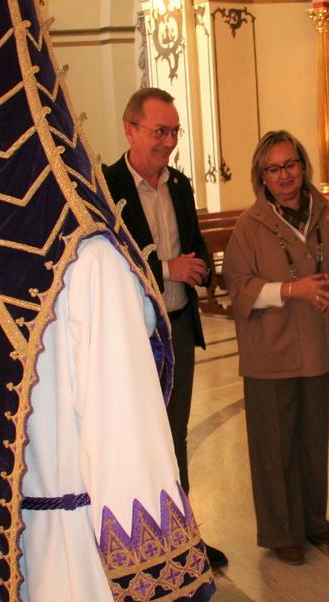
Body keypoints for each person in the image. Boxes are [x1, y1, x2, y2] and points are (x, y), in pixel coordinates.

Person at [0, 1, 214, 602]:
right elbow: (125, 431)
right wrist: (161, 581)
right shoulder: (84, 253)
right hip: (92, 556)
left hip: (2, 557)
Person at [223, 130, 329, 565]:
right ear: (261, 177)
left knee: (312, 440)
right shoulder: (249, 226)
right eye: (274, 168)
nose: (284, 175)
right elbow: (239, 287)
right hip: (272, 350)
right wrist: (291, 289)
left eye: (291, 165)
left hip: (320, 346)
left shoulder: (328, 215)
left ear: (303, 167)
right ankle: (281, 530)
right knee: (274, 444)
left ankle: (312, 520)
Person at [103, 87, 227, 570]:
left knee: (175, 438)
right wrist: (166, 270)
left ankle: (184, 537)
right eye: (160, 131)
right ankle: (142, 547)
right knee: (137, 440)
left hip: (178, 328)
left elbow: (191, 247)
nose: (169, 141)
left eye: (174, 131)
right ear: (130, 129)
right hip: (131, 341)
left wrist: (204, 271)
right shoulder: (103, 186)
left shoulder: (180, 185)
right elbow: (105, 265)